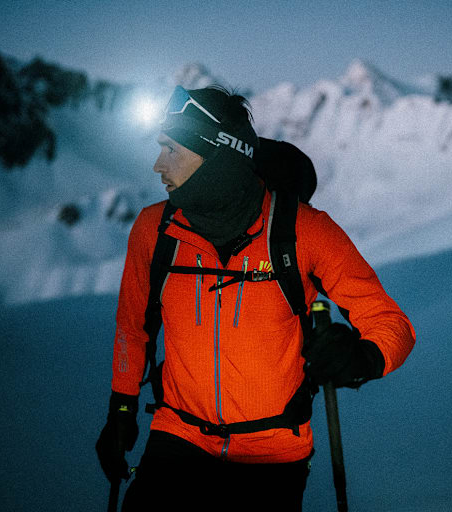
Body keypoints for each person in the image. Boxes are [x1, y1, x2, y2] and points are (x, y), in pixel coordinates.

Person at [95, 85, 415, 510]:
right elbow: (133, 326)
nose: (157, 165)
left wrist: (362, 358)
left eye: (172, 151)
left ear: (217, 156)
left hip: (273, 454)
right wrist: (121, 408)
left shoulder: (303, 231)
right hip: (178, 439)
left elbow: (391, 323)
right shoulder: (154, 230)